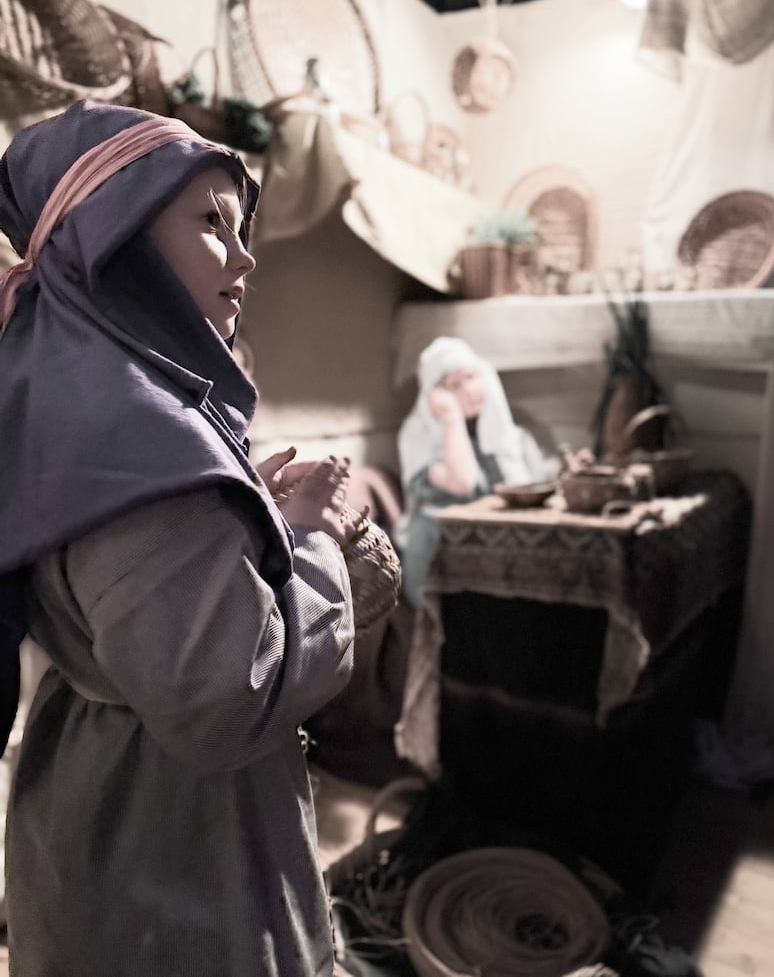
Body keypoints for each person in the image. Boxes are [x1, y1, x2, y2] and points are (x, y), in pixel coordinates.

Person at [0, 99, 360, 976]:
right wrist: (313, 538)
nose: (243, 260)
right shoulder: (133, 439)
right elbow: (225, 701)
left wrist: (242, 518)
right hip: (172, 850)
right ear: (113, 236)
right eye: (211, 223)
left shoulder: (60, 397)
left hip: (87, 792)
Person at [395, 336, 559, 607]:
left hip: (490, 556)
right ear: (435, 395)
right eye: (455, 384)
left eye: (472, 377)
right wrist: (451, 419)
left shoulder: (500, 435)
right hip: (438, 560)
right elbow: (463, 482)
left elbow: (532, 480)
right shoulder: (418, 435)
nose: (469, 389)